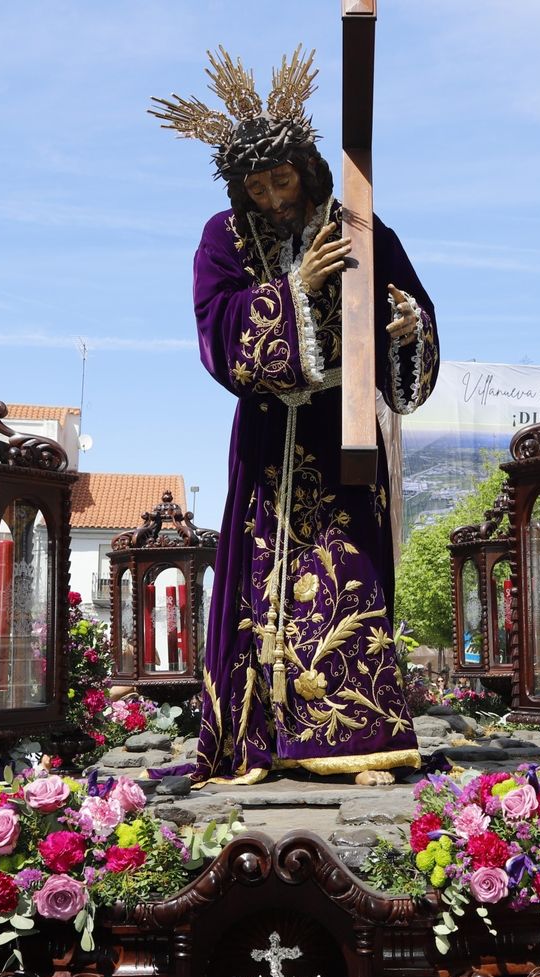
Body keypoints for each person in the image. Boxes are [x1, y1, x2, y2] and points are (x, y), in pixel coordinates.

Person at [148, 48, 439, 788]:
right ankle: (259, 734)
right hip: (268, 437)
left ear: (307, 171)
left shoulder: (363, 227)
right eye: (257, 184)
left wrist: (405, 329)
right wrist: (291, 289)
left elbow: (413, 318)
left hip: (344, 433)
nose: (272, 196)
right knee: (260, 582)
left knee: (350, 573)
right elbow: (216, 332)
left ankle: (355, 736)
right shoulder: (224, 237)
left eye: (282, 179)